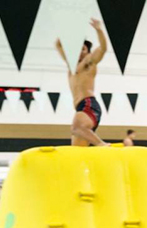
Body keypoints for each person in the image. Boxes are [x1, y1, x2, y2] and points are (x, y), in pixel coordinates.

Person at [55, 19, 108, 147]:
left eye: (83, 49)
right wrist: (69, 30)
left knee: (76, 128)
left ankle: (103, 145)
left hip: (88, 104)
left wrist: (99, 29)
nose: (79, 52)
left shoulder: (88, 62)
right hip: (80, 108)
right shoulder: (71, 65)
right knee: (78, 150)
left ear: (88, 52)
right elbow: (58, 44)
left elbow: (102, 49)